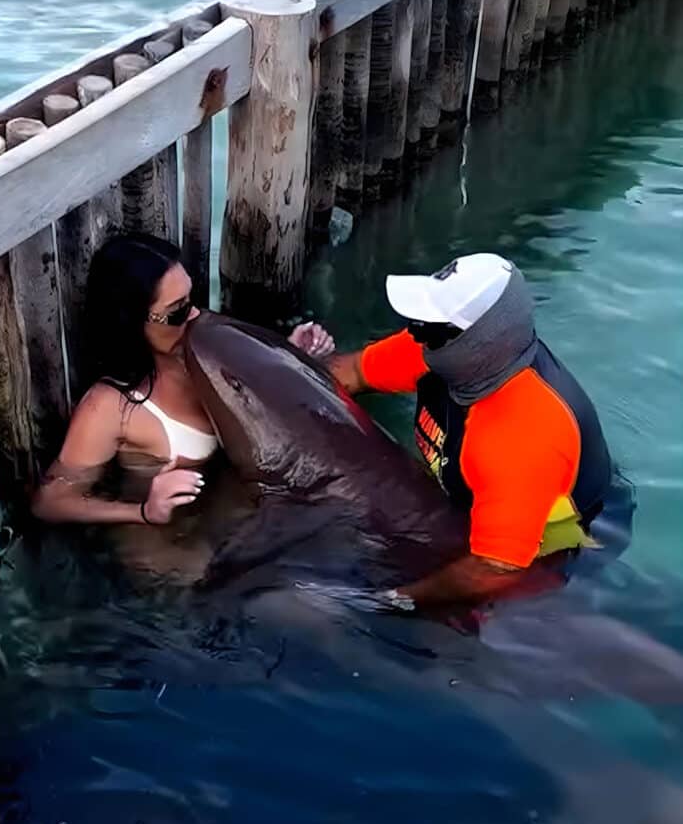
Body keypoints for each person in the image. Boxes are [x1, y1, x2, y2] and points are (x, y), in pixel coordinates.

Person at [328, 253, 621, 608]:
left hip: (557, 544)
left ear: (476, 344)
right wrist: (289, 359)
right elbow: (355, 372)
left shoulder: (523, 437)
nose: (415, 333)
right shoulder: (437, 349)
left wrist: (390, 601)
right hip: (478, 498)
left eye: (429, 327)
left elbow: (496, 569)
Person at [31, 233, 335, 527]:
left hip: (230, 510)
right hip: (164, 540)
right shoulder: (110, 408)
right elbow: (50, 501)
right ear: (131, 321)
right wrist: (144, 512)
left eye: (192, 299)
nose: (195, 316)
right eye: (177, 312)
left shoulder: (210, 347)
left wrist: (291, 359)